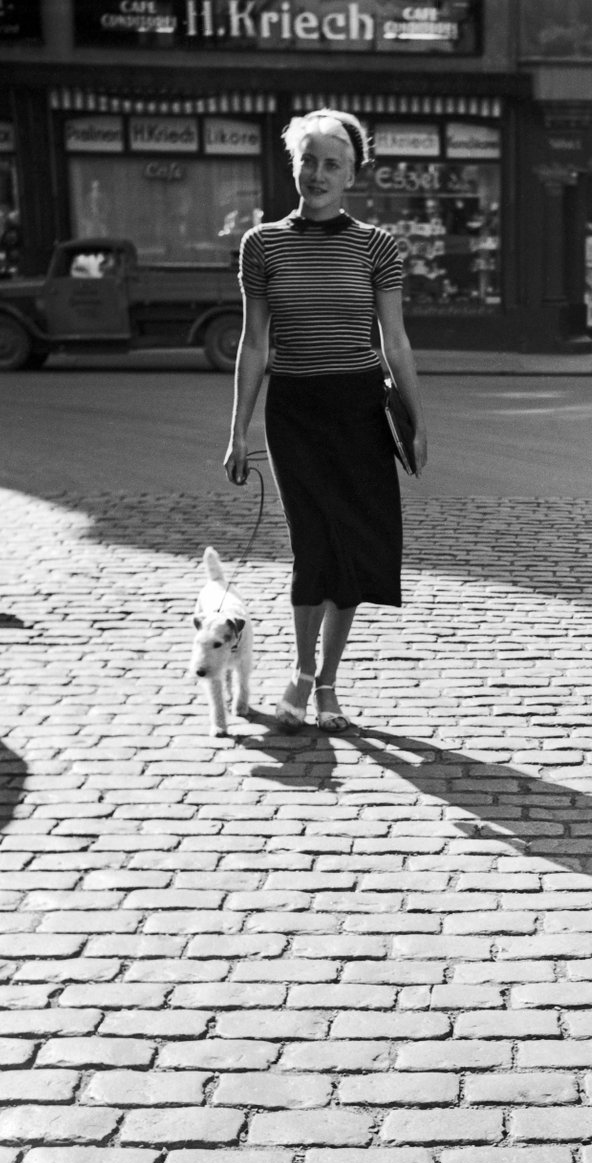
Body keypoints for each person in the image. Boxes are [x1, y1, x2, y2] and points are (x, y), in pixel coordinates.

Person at [223, 109, 427, 734]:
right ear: (294, 166)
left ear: (351, 174)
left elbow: (395, 339)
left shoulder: (377, 246)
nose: (317, 173)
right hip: (297, 412)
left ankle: (330, 683)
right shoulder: (261, 245)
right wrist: (238, 431)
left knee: (355, 549)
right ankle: (303, 671)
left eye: (331, 164)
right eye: (308, 161)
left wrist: (416, 421)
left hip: (360, 408)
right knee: (312, 545)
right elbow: (255, 344)